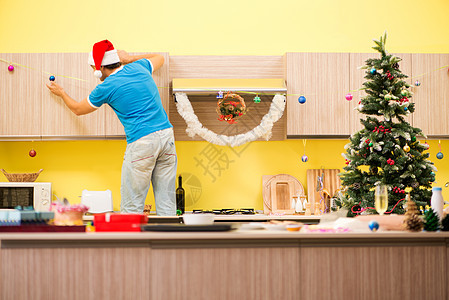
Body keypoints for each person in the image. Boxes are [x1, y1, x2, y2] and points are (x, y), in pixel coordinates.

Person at [46, 40, 177, 216]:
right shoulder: (139, 67)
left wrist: (61, 93)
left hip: (142, 142)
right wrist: (130, 58)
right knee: (167, 203)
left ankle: (130, 244)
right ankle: (167, 243)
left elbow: (77, 109)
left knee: (132, 207)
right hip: (167, 137)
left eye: (93, 67)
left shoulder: (105, 87)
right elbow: (159, 58)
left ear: (98, 68)